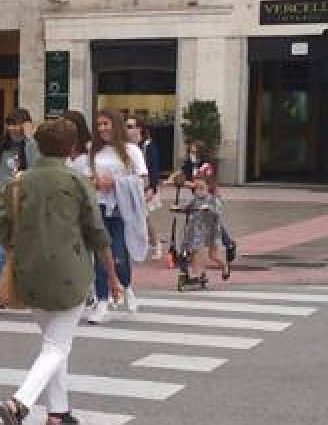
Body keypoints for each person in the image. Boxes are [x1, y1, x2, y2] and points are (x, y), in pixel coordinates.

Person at [0, 118, 123, 425]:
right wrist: (112, 275)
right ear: (70, 148)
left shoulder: (19, 181)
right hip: (70, 271)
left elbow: (0, 229)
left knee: (52, 341)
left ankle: (58, 411)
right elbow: (97, 233)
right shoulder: (76, 180)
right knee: (57, 346)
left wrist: (20, 249)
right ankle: (19, 402)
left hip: (29, 271)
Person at [84, 109, 149, 324]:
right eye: (99, 124)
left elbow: (142, 179)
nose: (102, 128)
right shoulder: (94, 151)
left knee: (119, 253)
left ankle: (126, 285)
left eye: (106, 123)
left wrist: (116, 183)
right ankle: (102, 301)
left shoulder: (131, 150)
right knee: (102, 255)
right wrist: (95, 182)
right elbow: (86, 178)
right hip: (99, 207)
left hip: (122, 208)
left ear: (116, 125)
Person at [0, 108, 38, 315]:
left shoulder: (33, 147)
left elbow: (35, 168)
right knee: (1, 253)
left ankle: (27, 293)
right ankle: (0, 296)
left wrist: (30, 137)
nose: (13, 129)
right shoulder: (0, 148)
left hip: (26, 206)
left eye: (18, 124)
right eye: (10, 124)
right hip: (4, 207)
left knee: (26, 252)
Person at [173, 171, 230, 281]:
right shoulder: (195, 199)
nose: (198, 191)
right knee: (195, 249)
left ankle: (224, 266)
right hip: (197, 230)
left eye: (201, 188)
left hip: (211, 231)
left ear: (208, 188)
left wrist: (209, 208)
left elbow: (218, 211)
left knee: (213, 256)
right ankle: (196, 273)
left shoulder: (213, 199)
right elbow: (187, 207)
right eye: (196, 188)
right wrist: (178, 208)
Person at [127, 115, 164, 260]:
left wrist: (152, 188)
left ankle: (156, 243)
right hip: (132, 186)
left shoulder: (148, 146)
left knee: (146, 218)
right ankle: (140, 244)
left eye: (130, 126)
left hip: (146, 186)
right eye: (126, 126)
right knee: (134, 217)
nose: (126, 129)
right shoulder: (128, 146)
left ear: (139, 129)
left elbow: (154, 168)